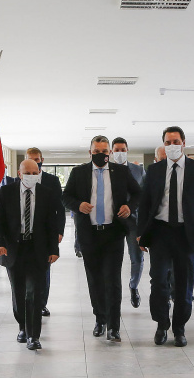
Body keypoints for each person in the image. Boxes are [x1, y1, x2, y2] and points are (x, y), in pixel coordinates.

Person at [137, 126, 194, 347]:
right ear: (163, 145)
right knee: (158, 282)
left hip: (187, 233)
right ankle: (161, 325)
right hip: (160, 232)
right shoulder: (154, 170)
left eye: (176, 142)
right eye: (168, 142)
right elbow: (145, 203)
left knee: (185, 284)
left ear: (184, 143)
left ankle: (179, 327)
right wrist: (140, 234)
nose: (172, 146)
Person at [62, 135, 141, 341]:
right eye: (96, 151)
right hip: (89, 234)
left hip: (113, 233)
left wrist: (129, 206)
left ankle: (114, 326)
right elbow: (65, 197)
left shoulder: (121, 172)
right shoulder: (78, 172)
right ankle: (100, 319)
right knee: (95, 279)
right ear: (90, 152)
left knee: (113, 280)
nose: (100, 155)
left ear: (110, 153)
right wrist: (78, 205)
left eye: (104, 152)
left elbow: (139, 194)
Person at [0, 160, 63, 350]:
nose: (32, 175)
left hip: (37, 248)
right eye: (28, 172)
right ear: (19, 173)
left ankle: (34, 335)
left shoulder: (46, 194)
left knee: (35, 292)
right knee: (18, 292)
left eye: (35, 172)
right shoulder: (6, 192)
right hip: (14, 249)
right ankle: (22, 326)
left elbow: (52, 224)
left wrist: (53, 249)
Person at [24, 147, 65, 316]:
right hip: (25, 233)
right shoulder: (17, 182)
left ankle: (41, 303)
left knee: (44, 270)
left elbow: (59, 208)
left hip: (46, 233)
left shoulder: (52, 181)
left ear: (42, 160)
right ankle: (28, 301)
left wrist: (59, 231)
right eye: (31, 159)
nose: (35, 161)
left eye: (37, 159)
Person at [111, 137, 147, 308]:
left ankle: (133, 286)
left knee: (137, 258)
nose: (120, 153)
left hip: (134, 221)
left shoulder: (138, 171)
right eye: (116, 150)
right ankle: (112, 290)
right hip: (113, 221)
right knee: (112, 260)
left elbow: (145, 196)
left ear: (127, 150)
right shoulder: (106, 170)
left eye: (122, 149)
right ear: (111, 152)